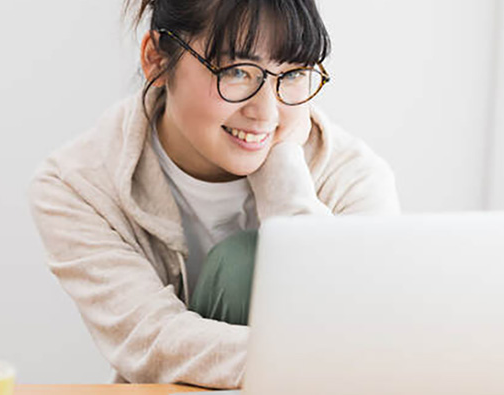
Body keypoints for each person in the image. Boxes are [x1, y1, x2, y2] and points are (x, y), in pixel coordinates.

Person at [27, 0, 400, 389]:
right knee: (242, 263)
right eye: (236, 71)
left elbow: (361, 328)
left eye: (293, 74)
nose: (266, 112)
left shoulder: (352, 176)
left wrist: (284, 177)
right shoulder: (77, 185)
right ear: (155, 59)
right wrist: (317, 359)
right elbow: (151, 342)